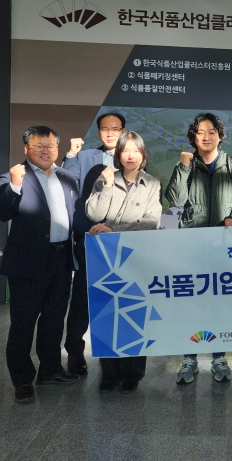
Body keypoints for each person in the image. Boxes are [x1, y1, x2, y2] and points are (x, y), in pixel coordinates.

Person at [0, 126, 80, 404]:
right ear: (26, 148)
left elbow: (75, 215)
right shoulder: (13, 176)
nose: (46, 151)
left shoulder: (67, 177)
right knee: (23, 323)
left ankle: (50, 370)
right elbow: (2, 212)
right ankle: (22, 380)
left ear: (57, 148)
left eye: (50, 146)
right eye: (39, 146)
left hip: (61, 258)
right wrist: (15, 186)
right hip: (27, 263)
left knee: (54, 319)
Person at [165, 112, 232, 383]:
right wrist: (183, 168)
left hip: (223, 247)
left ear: (220, 136)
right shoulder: (186, 165)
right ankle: (189, 359)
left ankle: (219, 357)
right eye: (200, 132)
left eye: (211, 131)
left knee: (218, 304)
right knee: (191, 304)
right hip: (192, 247)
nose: (206, 136)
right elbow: (175, 201)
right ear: (193, 137)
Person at [86, 131, 162, 394]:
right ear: (118, 154)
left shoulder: (152, 184)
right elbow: (93, 213)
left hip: (137, 258)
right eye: (125, 150)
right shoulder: (105, 178)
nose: (131, 156)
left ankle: (132, 374)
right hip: (104, 259)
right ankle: (109, 373)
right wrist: (107, 187)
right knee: (106, 315)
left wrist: (113, 230)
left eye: (136, 151)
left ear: (143, 155)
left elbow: (150, 223)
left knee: (134, 314)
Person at [61, 111, 126, 377]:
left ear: (123, 131)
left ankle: (114, 358)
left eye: (115, 128)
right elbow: (68, 181)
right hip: (91, 236)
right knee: (82, 300)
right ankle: (75, 354)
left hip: (121, 238)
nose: (110, 133)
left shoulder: (131, 154)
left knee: (117, 299)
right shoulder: (86, 156)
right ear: (98, 132)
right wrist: (71, 155)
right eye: (105, 129)